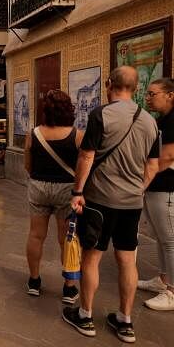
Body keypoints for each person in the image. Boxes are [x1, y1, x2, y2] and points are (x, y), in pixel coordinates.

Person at [63, 66, 160, 343]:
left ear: (109, 84)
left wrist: (77, 191)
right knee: (127, 259)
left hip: (99, 200)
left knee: (92, 256)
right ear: (136, 88)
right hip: (132, 203)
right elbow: (153, 166)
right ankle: (125, 321)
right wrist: (137, 189)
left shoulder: (100, 115)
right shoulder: (149, 121)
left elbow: (86, 157)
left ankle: (85, 315)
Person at [24, 90, 83, 303]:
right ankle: (69, 287)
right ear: (68, 109)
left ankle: (34, 281)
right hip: (66, 189)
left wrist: (39, 179)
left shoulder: (34, 133)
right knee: (66, 238)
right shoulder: (77, 135)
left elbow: (27, 166)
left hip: (39, 186)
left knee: (36, 235)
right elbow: (82, 166)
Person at [137, 78, 174, 310]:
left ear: (170, 94)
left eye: (153, 94)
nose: (148, 98)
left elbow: (168, 156)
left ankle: (172, 292)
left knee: (170, 240)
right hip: (156, 186)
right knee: (161, 238)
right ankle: (163, 280)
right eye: (148, 94)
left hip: (167, 187)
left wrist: (144, 179)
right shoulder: (161, 120)